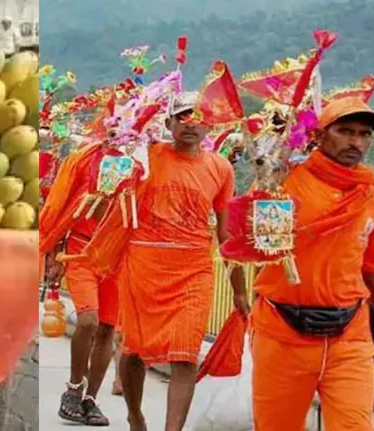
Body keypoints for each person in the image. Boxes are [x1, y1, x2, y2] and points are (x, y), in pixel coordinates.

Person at [85, 91, 247, 431]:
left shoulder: (220, 168)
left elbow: (226, 232)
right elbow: (106, 202)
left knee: (185, 355)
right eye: (183, 116)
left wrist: (239, 290)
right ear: (169, 123)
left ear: (209, 125)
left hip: (194, 271)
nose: (191, 124)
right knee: (132, 352)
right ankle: (135, 415)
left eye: (198, 117)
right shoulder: (144, 158)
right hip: (143, 266)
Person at [249, 97, 374, 431]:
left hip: (349, 334)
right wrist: (265, 198)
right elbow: (257, 248)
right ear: (320, 135)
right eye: (345, 131)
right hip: (282, 331)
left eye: (365, 134)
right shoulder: (281, 183)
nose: (356, 141)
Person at [40, 138, 120, 426]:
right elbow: (62, 206)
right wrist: (53, 253)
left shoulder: (144, 165)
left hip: (118, 257)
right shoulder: (85, 159)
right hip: (81, 251)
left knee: (108, 329)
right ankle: (74, 388)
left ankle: (91, 399)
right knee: (89, 321)